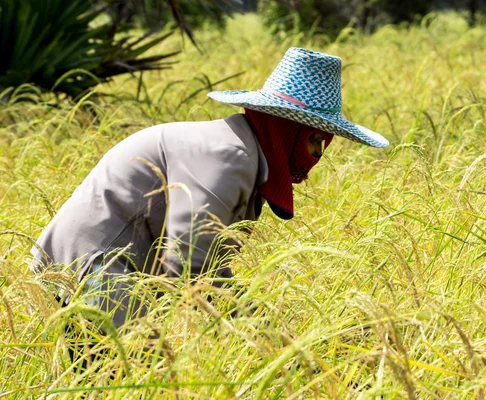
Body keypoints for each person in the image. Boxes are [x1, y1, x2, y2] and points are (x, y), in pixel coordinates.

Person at [30, 47, 389, 329]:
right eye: (314, 141)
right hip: (95, 266)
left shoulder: (242, 153)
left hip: (105, 268)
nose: (316, 156)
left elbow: (206, 265)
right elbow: (191, 266)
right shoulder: (229, 157)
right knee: (137, 377)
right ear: (286, 131)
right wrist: (269, 339)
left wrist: (260, 325)